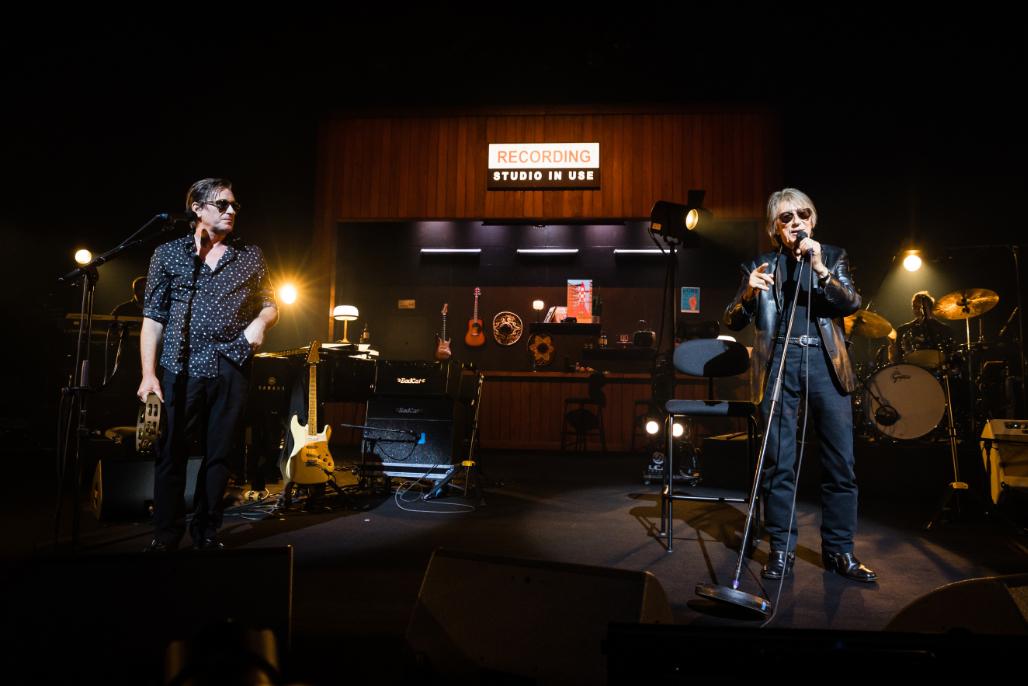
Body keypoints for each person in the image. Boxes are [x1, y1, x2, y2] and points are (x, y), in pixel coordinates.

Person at [724, 188, 877, 582]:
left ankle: (840, 552)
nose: (796, 222)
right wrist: (746, 294)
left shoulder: (834, 256)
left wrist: (822, 268)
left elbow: (850, 304)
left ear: (813, 219)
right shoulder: (759, 263)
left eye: (803, 214)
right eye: (786, 218)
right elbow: (732, 320)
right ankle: (781, 550)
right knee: (780, 463)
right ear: (774, 228)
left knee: (840, 463)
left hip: (826, 363)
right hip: (780, 362)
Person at [138, 178, 278, 551]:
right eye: (223, 204)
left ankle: (206, 530)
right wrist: (148, 374)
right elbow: (153, 319)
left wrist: (260, 324)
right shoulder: (168, 254)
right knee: (170, 452)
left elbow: (270, 303)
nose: (232, 211)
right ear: (197, 208)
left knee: (220, 452)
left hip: (231, 363)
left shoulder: (250, 255)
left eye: (235, 205)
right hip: (179, 365)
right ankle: (166, 533)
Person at [891, 290, 956, 368]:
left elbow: (950, 354)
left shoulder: (944, 329)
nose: (917, 310)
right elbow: (898, 357)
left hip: (938, 369)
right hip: (912, 370)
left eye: (921, 307)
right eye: (915, 307)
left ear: (930, 308)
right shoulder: (903, 330)